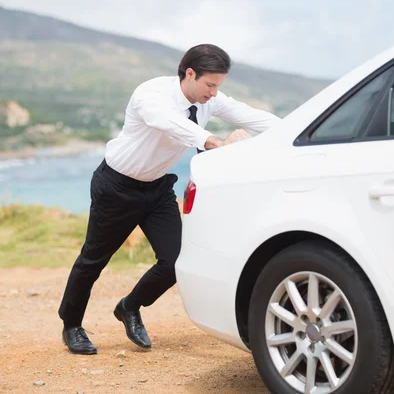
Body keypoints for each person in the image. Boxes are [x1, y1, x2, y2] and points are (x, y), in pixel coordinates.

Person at [58, 43, 281, 355]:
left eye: (219, 86)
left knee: (176, 260)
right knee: (93, 260)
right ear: (189, 73)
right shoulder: (151, 95)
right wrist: (217, 143)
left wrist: (297, 133)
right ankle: (71, 325)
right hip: (117, 187)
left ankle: (130, 306)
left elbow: (252, 116)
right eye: (210, 85)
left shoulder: (209, 99)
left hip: (158, 189)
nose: (214, 93)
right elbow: (172, 125)